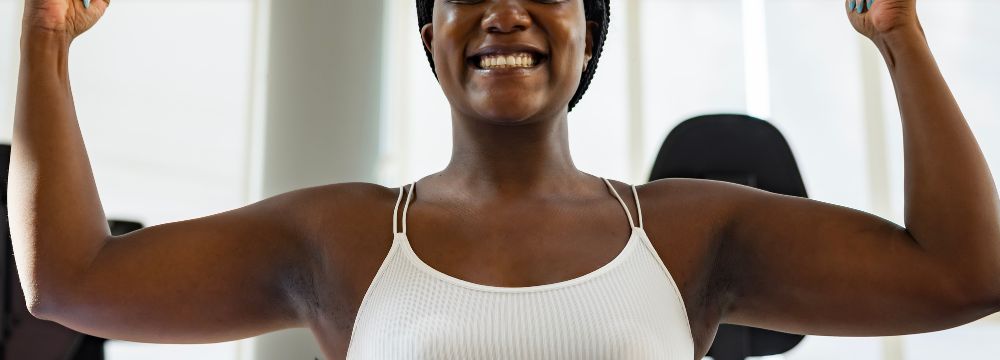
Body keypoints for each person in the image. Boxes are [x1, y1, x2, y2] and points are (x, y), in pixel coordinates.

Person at [9, 0, 1000, 359]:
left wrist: (898, 33)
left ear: (587, 27)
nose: (506, 13)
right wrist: (45, 37)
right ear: (431, 30)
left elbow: (963, 275)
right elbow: (72, 282)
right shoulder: (342, 239)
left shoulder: (691, 232)